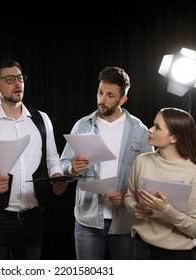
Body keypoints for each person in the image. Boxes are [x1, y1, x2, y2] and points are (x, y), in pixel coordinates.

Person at [0, 58, 68, 260]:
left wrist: (57, 177)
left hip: (33, 218)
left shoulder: (41, 119)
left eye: (20, 78)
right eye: (10, 79)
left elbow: (53, 159)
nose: (18, 83)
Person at [60, 66, 154, 260]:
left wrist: (128, 195)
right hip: (87, 220)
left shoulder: (139, 129)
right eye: (100, 92)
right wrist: (71, 168)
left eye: (110, 95)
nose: (102, 100)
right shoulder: (82, 125)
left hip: (125, 223)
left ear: (122, 99)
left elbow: (149, 177)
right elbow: (63, 167)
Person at [124, 107, 196, 259]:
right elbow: (129, 196)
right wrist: (134, 207)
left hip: (177, 255)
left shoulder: (195, 175)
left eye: (157, 127)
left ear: (173, 138)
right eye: (153, 125)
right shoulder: (142, 161)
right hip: (141, 248)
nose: (149, 130)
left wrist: (167, 210)